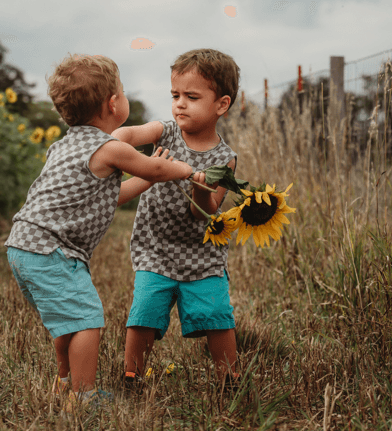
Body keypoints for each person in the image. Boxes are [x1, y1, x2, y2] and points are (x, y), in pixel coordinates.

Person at [4, 54, 193, 408]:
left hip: (24, 246)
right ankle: (83, 395)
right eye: (121, 90)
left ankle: (65, 383)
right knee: (87, 320)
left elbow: (109, 196)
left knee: (67, 322)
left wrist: (148, 179)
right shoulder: (109, 147)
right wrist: (183, 169)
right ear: (113, 103)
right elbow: (152, 167)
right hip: (51, 250)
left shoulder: (62, 146)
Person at [112, 48, 242, 390]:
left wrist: (201, 189)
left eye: (191, 96)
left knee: (217, 315)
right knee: (145, 311)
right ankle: (132, 375)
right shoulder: (165, 131)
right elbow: (129, 135)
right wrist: (113, 143)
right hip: (156, 248)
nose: (179, 104)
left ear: (221, 105)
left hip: (202, 252)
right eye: (175, 95)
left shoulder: (224, 158)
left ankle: (228, 377)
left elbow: (206, 211)